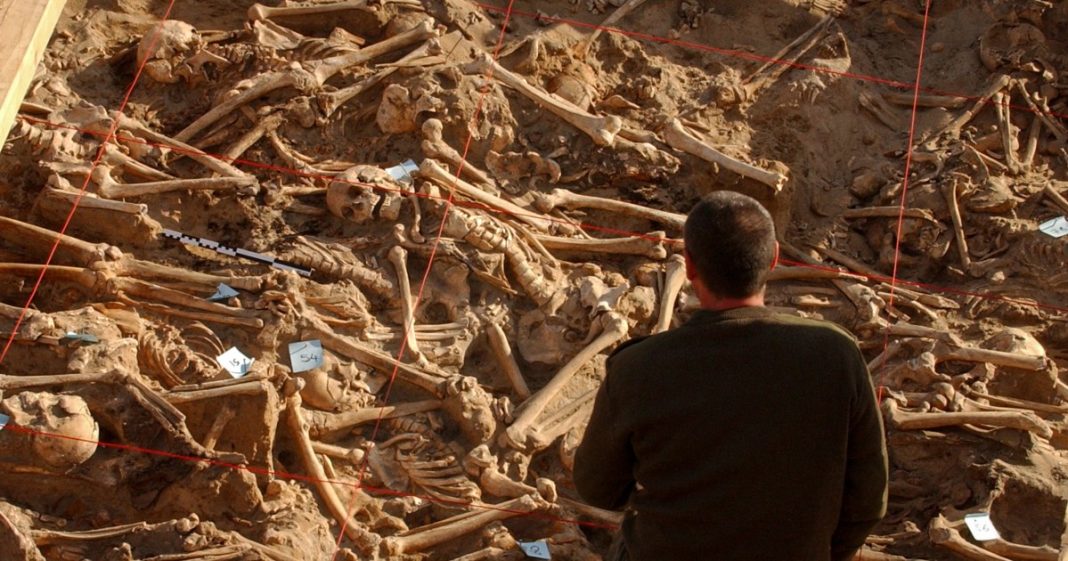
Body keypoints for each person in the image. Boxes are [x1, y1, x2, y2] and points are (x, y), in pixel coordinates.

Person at [573, 191, 888, 561]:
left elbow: (597, 489)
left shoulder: (637, 367)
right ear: (774, 258)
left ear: (690, 266)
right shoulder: (836, 353)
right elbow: (868, 501)